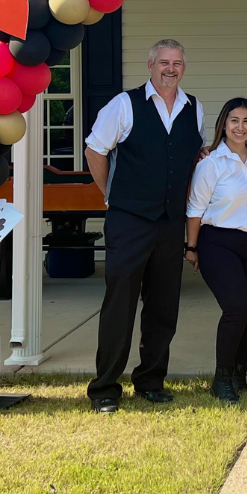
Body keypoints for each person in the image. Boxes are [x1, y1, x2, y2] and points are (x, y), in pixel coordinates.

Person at [85, 39, 204, 413]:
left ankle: (151, 380)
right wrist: (111, 195)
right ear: (150, 65)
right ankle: (105, 387)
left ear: (184, 67)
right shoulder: (124, 104)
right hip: (129, 221)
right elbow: (94, 150)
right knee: (120, 304)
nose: (171, 68)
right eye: (164, 62)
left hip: (170, 224)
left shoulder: (194, 108)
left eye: (178, 63)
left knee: (163, 306)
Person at [185, 97, 247, 404]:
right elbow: (195, 208)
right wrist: (192, 247)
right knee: (236, 308)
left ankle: (239, 374)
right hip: (217, 242)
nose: (240, 127)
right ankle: (221, 379)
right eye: (234, 120)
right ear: (224, 123)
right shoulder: (211, 163)